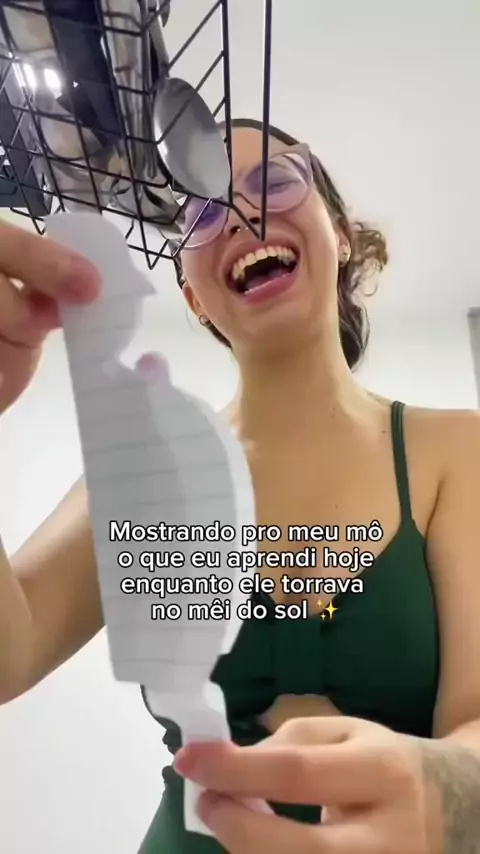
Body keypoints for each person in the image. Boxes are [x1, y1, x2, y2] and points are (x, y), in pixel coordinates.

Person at [1, 118, 480, 854]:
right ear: (193, 297)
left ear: (340, 234)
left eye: (274, 181)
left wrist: (444, 788)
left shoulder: (460, 451)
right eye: (199, 211)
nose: (240, 215)